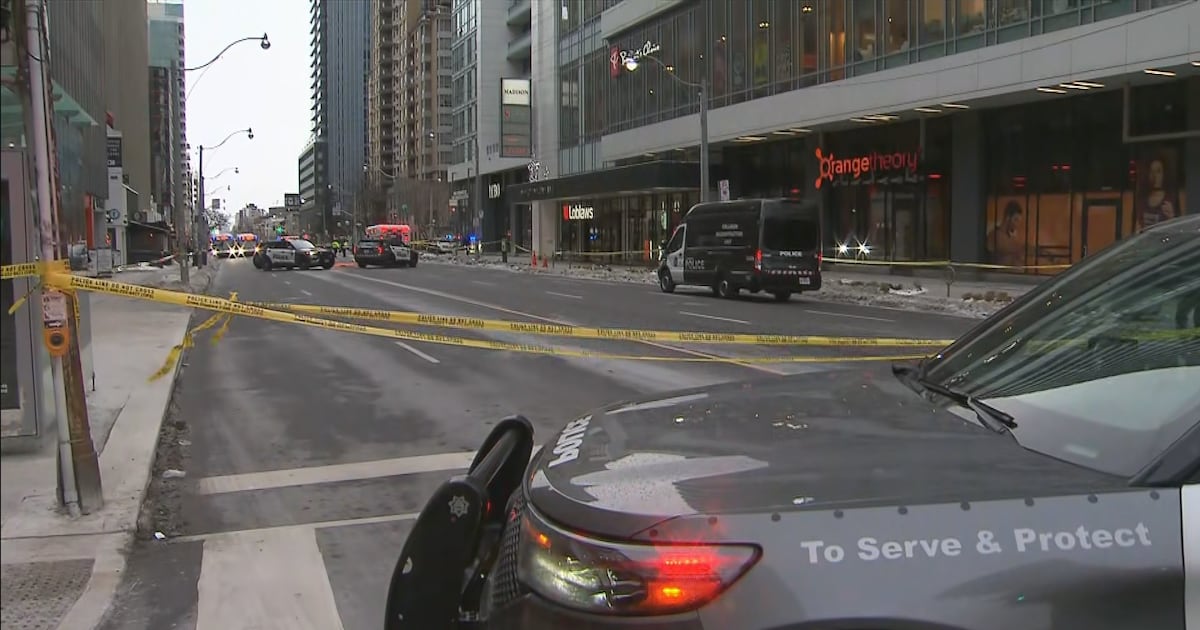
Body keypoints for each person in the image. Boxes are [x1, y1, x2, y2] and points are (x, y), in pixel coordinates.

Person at [986, 200, 1026, 269]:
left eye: (1019, 221)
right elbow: (1014, 248)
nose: (1017, 224)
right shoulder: (995, 235)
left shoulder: (1010, 237)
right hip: (997, 277)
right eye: (1016, 220)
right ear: (1008, 217)